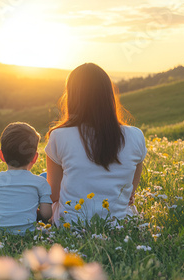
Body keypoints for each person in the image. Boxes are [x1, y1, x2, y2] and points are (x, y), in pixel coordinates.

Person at [45, 63, 147, 226]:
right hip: (120, 223)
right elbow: (129, 195)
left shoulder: (58, 136)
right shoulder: (136, 135)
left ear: (72, 96)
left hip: (71, 224)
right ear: (108, 95)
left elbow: (53, 195)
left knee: (43, 180)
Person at [0, 122, 53, 235]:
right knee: (44, 227)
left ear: (1, 156)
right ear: (35, 158)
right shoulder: (40, 182)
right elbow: (46, 214)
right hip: (28, 231)